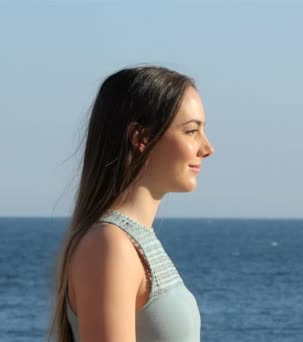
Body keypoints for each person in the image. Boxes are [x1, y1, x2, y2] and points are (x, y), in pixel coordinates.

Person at [47, 65, 215, 342]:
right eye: (191, 131)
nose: (207, 148)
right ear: (141, 138)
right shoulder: (110, 245)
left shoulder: (130, 242)